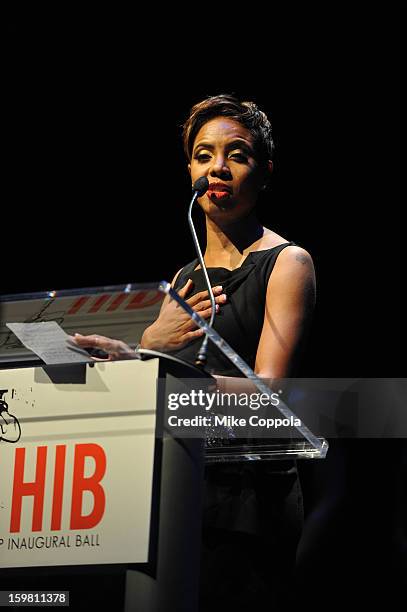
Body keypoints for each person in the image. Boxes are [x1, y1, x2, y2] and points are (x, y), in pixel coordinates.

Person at [72, 94, 316, 610]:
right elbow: (160, 379)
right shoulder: (182, 279)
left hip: (251, 501)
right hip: (181, 486)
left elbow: (269, 394)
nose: (218, 167)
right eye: (203, 155)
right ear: (190, 170)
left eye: (237, 154)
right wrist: (142, 350)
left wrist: (159, 370)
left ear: (265, 172)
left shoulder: (287, 263)